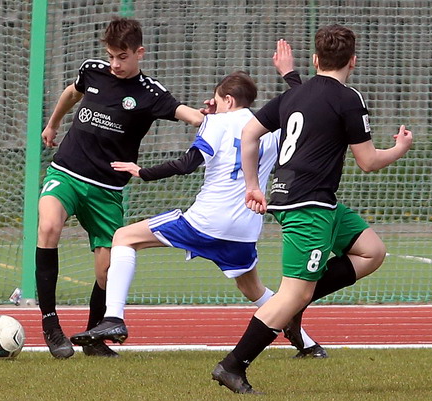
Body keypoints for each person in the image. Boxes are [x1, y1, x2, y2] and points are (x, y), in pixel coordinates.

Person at [211, 24, 413, 394]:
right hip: (309, 205)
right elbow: (367, 161)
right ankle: (233, 365)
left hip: (316, 201)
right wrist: (400, 148)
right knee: (293, 294)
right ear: (353, 62)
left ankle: (294, 305)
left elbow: (249, 134)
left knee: (372, 251)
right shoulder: (349, 98)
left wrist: (253, 185)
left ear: (316, 59)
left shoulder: (295, 94)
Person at [69, 71, 324, 357]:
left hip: (206, 222)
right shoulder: (270, 130)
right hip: (245, 228)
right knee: (254, 290)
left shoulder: (216, 123)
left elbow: (187, 163)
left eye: (217, 100)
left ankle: (113, 318)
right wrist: (291, 76)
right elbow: (300, 104)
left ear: (228, 100)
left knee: (124, 237)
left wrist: (143, 171)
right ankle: (308, 344)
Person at [36, 16, 207, 359]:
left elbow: (193, 117)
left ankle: (93, 337)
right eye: (111, 56)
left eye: (123, 57)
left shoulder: (150, 94)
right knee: (49, 226)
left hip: (106, 190)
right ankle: (51, 324)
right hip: (67, 172)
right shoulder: (93, 71)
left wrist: (213, 115)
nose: (115, 64)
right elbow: (71, 92)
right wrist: (53, 124)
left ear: (139, 53)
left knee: (106, 271)